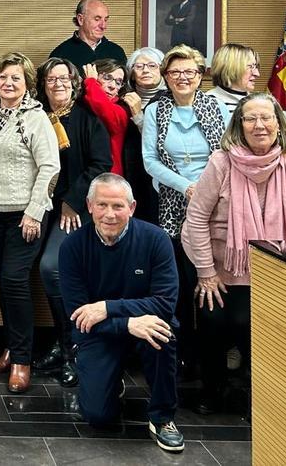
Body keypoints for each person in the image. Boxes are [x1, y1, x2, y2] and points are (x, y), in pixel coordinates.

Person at [181, 94, 286, 417]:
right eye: (250, 118)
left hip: (270, 268)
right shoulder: (221, 162)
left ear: (280, 124)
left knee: (253, 326)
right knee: (212, 321)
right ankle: (212, 389)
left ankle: (257, 394)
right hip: (219, 263)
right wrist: (206, 273)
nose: (259, 125)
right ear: (239, 125)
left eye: (266, 118)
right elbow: (195, 218)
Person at [59, 173, 184, 454]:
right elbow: (78, 316)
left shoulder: (156, 240)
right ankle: (109, 382)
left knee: (161, 330)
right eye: (102, 205)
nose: (109, 215)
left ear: (133, 207)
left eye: (118, 206)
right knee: (98, 416)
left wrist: (108, 307)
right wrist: (127, 323)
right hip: (100, 333)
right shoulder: (72, 247)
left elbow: (165, 303)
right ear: (89, 206)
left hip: (144, 325)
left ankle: (163, 417)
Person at [141, 44, 229, 374]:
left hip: (215, 202)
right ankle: (181, 351)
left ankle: (211, 358)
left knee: (208, 279)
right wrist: (185, 186)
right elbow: (149, 160)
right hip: (172, 202)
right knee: (177, 279)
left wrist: (205, 189)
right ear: (165, 76)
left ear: (200, 75)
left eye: (189, 72)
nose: (182, 78)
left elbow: (227, 153)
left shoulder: (216, 105)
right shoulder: (155, 110)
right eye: (175, 72)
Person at [0, 52, 59, 393]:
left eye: (16, 78)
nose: (8, 84)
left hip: (24, 215)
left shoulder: (35, 118)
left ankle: (23, 360)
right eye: (3, 78)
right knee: (3, 282)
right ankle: (12, 348)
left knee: (14, 281)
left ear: (27, 84)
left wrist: (34, 211)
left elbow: (50, 167)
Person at [34, 56, 112, 386]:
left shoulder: (87, 118)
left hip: (74, 210)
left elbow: (101, 163)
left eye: (64, 78)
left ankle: (73, 348)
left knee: (52, 268)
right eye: (52, 79)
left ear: (75, 82)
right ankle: (62, 341)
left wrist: (72, 202)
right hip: (40, 206)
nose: (59, 84)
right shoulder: (37, 117)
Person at [81, 58, 138, 175]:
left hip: (109, 179)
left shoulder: (122, 110)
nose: (112, 86)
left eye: (118, 82)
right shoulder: (78, 105)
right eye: (107, 78)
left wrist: (91, 82)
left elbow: (100, 105)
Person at [49, 0, 127, 76]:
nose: (103, 26)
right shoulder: (60, 54)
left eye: (105, 20)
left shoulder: (117, 52)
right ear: (80, 19)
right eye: (97, 19)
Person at [205, 43, 261, 111]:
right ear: (231, 68)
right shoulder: (208, 103)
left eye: (256, 67)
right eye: (251, 67)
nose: (257, 74)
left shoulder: (257, 102)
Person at [127, 47, 168, 126]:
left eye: (152, 66)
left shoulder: (171, 99)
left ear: (162, 71)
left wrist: (138, 116)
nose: (145, 70)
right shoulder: (125, 100)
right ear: (132, 74)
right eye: (139, 66)